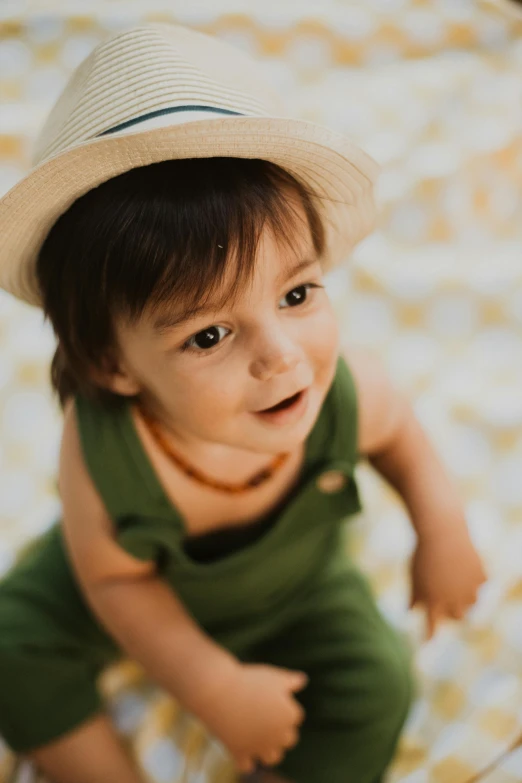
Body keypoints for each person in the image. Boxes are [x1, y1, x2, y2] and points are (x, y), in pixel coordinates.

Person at [0, 22, 486, 783]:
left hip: (297, 590)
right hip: (121, 596)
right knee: (10, 642)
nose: (281, 355)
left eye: (297, 293)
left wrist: (441, 527)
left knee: (378, 684)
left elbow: (403, 440)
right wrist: (210, 684)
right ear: (111, 361)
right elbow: (117, 580)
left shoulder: (346, 389)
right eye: (209, 335)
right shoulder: (101, 445)